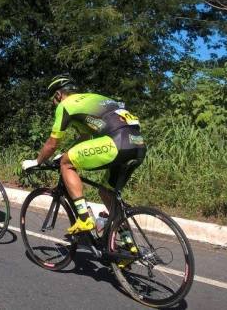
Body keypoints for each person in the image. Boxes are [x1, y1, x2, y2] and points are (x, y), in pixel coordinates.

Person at [21, 74, 146, 234]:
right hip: (138, 145)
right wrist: (67, 152)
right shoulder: (95, 98)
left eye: (53, 99)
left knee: (66, 163)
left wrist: (37, 161)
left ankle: (84, 218)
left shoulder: (65, 105)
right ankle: (129, 247)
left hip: (117, 143)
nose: (53, 103)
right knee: (106, 193)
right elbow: (85, 137)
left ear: (58, 95)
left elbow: (52, 144)